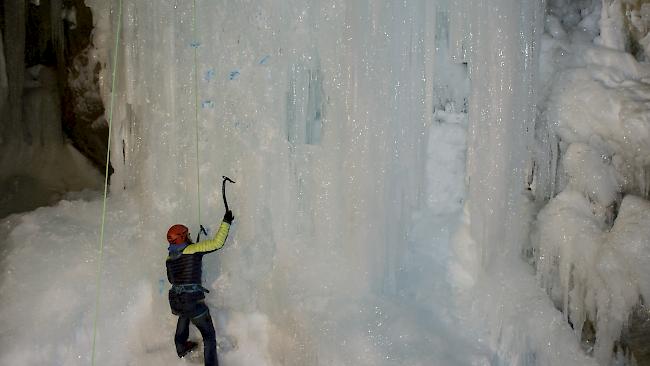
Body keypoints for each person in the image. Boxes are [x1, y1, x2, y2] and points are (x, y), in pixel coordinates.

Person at [165, 209, 234, 366]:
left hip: (176, 300)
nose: (189, 236)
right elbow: (217, 243)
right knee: (209, 336)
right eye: (187, 234)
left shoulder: (169, 258)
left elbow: (171, 279)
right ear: (183, 237)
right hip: (192, 302)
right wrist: (226, 222)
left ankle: (181, 346)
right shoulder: (193, 249)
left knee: (184, 315)